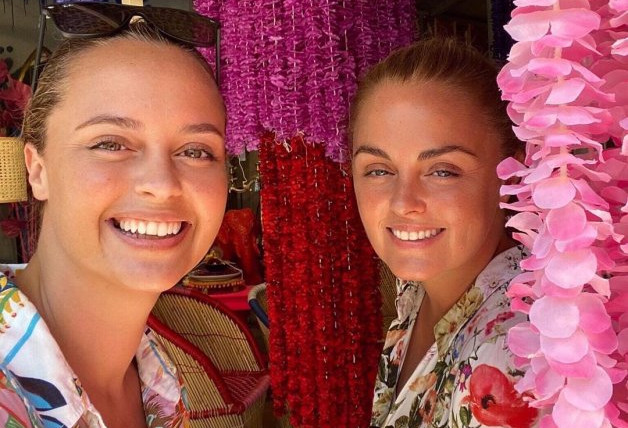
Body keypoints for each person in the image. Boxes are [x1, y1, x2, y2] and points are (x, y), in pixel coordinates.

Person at [0, 7, 227, 428]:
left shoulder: (159, 379)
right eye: (110, 143)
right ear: (38, 170)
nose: (162, 184)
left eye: (196, 151)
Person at [350, 38, 541, 428]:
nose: (404, 202)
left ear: (512, 175)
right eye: (379, 170)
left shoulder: (510, 360)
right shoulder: (416, 290)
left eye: (442, 171)